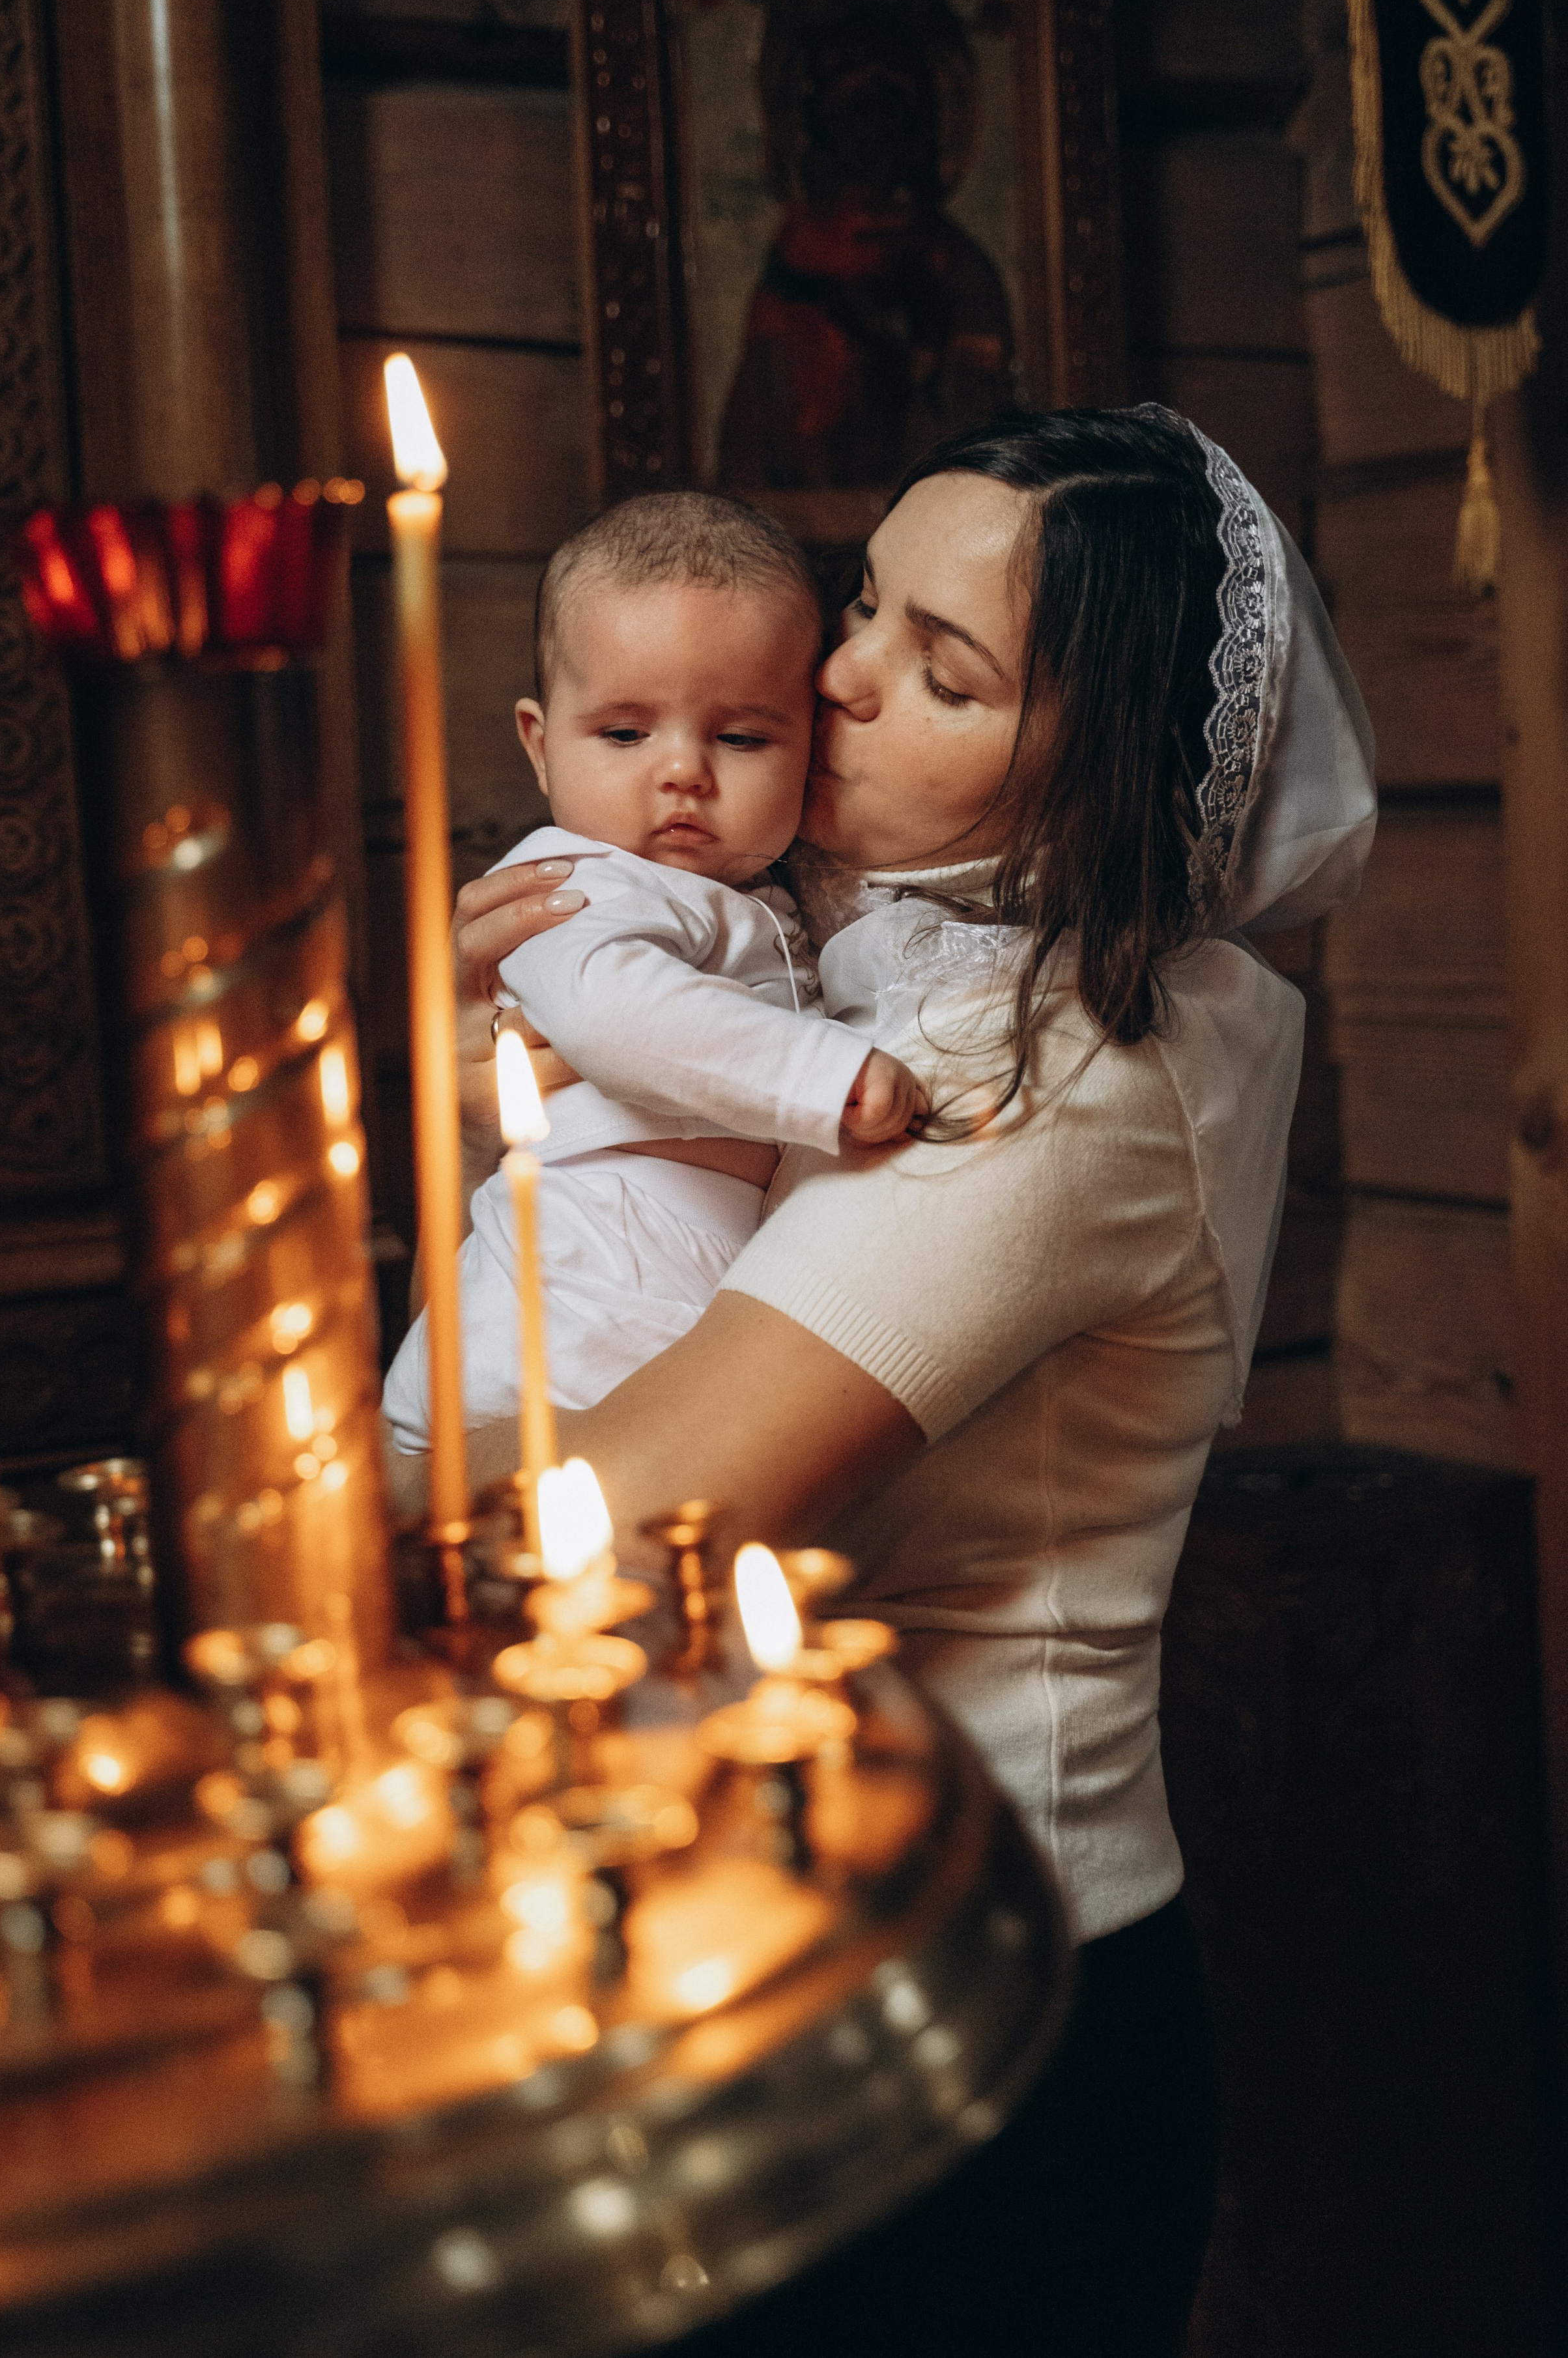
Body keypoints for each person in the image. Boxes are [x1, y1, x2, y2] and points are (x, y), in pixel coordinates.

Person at [392, 405, 1376, 2355]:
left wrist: (342, 1470)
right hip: (801, 1950)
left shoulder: (1056, 1062)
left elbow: (620, 1525)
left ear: (1090, 768)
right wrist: (509, 1090)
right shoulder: (851, 954)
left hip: (983, 2005)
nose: (835, 678)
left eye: (943, 671)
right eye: (862, 605)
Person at [381, 492, 924, 1449]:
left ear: (813, 747)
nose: (683, 772)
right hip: (578, 1286)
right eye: (625, 734)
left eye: (741, 738)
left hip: (659, 1283)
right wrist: (826, 1075)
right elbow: (619, 1016)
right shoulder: (569, 882)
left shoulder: (765, 895)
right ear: (540, 746)